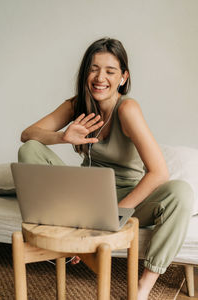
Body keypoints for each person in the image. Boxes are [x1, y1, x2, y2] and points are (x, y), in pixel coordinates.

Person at [18, 37, 193, 300]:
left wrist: (111, 219)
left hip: (125, 198)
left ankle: (142, 288)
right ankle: (69, 232)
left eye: (110, 71)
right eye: (94, 69)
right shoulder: (77, 105)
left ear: (123, 77)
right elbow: (27, 134)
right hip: (86, 195)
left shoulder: (128, 109)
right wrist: (62, 137)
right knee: (29, 149)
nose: (100, 77)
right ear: (85, 72)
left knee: (181, 193)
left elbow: (159, 173)